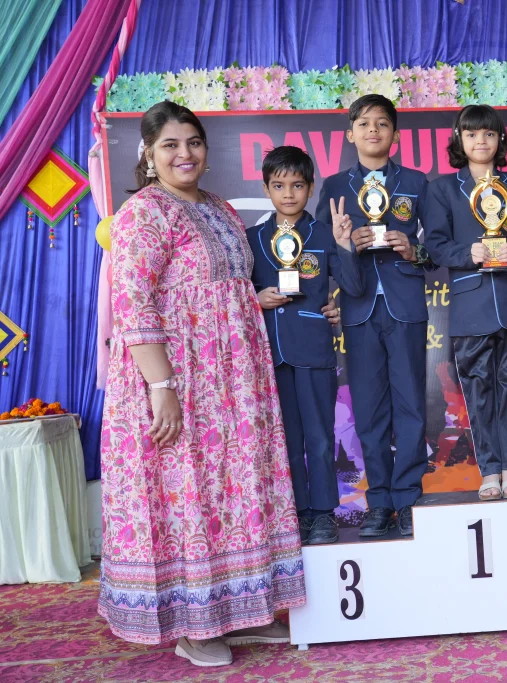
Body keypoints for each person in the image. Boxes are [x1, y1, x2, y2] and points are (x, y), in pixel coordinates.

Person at [99, 101, 305, 667]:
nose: (184, 154)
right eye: (169, 145)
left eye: (192, 142)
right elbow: (133, 303)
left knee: (235, 489)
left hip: (234, 380)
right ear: (148, 153)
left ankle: (242, 609)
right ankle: (194, 624)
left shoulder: (219, 208)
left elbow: (228, 286)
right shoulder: (144, 212)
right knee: (189, 490)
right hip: (179, 377)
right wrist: (159, 385)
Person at [315, 95, 432, 538]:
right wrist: (347, 245)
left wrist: (412, 248)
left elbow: (436, 247)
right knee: (368, 409)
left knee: (410, 406)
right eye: (364, 124)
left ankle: (408, 497)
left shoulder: (419, 183)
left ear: (395, 135)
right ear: (351, 133)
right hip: (359, 307)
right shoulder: (333, 186)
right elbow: (322, 251)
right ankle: (379, 499)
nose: (373, 131)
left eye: (382, 124)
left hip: (404, 305)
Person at [423, 104, 507, 500]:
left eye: (489, 134)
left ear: (500, 140)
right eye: (472, 134)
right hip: (470, 303)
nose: (481, 141)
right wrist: (468, 254)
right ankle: (489, 470)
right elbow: (435, 245)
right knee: (477, 389)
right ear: (460, 139)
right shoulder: (443, 188)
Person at [248, 145, 362, 546]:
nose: (289, 194)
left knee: (319, 435)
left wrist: (345, 244)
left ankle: (324, 513)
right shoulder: (251, 239)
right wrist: (255, 298)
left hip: (313, 349)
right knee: (286, 439)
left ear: (311, 187)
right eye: (279, 186)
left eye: (297, 185)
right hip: (269, 355)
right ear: (266, 188)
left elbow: (352, 286)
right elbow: (237, 291)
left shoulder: (322, 234)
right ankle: (294, 513)